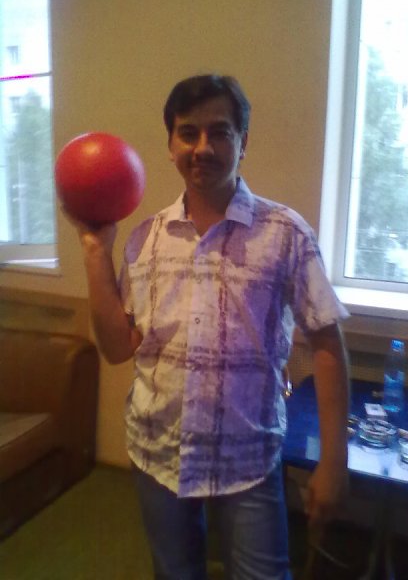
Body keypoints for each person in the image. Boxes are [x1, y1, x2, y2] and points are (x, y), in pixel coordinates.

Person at [71, 74, 350, 580]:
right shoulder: (144, 238)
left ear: (243, 142)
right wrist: (95, 252)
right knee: (175, 572)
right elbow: (117, 348)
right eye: (188, 133)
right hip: (157, 449)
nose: (203, 147)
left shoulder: (285, 233)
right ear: (171, 145)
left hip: (249, 458)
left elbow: (327, 341)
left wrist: (334, 460)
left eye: (220, 132)